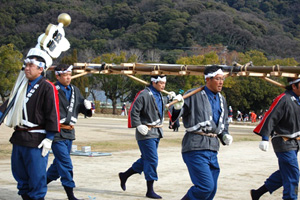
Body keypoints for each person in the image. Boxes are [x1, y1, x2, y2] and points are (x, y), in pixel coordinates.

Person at [0, 48, 60, 200]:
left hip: (37, 139)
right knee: (21, 177)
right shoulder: (21, 86)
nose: (26, 68)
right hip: (19, 137)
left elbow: (52, 113)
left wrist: (50, 138)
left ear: (40, 69)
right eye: (25, 65)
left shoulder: (47, 87)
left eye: (30, 65)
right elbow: (6, 107)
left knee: (37, 178)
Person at [170, 65, 233, 200]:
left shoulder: (222, 99)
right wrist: (177, 107)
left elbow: (224, 122)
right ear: (208, 80)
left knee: (212, 190)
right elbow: (175, 114)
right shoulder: (193, 95)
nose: (221, 82)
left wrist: (224, 134)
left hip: (213, 148)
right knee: (205, 187)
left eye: (222, 79)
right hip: (195, 146)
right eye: (218, 79)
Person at [46, 64, 93, 200]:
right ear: (57, 76)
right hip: (56, 131)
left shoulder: (75, 90)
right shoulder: (51, 89)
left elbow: (83, 109)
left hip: (69, 132)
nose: (68, 77)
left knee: (58, 164)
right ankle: (70, 195)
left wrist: (88, 108)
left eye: (69, 75)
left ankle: (41, 183)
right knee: (66, 163)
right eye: (65, 75)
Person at [119, 75, 168, 199]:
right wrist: (138, 125)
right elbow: (133, 111)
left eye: (164, 83)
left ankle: (125, 175)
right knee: (152, 159)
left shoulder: (160, 95)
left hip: (156, 132)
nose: (163, 85)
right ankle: (149, 190)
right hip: (145, 132)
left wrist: (173, 99)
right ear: (153, 82)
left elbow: (162, 108)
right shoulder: (144, 94)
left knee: (146, 159)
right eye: (161, 83)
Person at [251, 77, 300, 200]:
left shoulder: (297, 99)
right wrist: (265, 137)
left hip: (295, 142)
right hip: (283, 141)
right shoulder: (283, 99)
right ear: (294, 86)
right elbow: (270, 116)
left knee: (285, 172)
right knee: (293, 173)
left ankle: (258, 193)